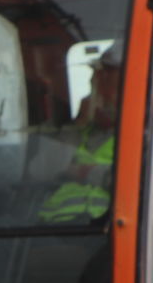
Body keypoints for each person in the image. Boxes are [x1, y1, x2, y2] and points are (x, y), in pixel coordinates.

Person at [38, 44, 122, 225]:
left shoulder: (145, 135)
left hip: (102, 231)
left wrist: (85, 171)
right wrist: (78, 124)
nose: (96, 84)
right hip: (53, 226)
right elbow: (41, 170)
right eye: (97, 76)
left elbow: (135, 184)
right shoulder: (79, 131)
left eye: (106, 78)